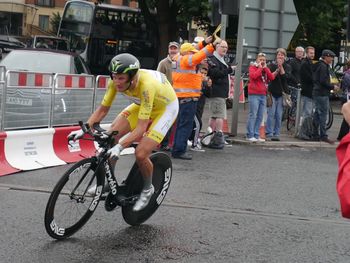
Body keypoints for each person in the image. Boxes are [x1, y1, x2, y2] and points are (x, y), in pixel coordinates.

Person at [68, 53, 179, 211]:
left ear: (133, 77)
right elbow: (102, 109)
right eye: (114, 77)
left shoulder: (146, 86)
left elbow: (141, 128)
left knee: (141, 153)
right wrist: (84, 129)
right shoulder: (114, 82)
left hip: (165, 109)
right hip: (142, 104)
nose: (117, 82)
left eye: (121, 78)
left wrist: (120, 147)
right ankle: (109, 181)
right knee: (111, 135)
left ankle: (148, 190)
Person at [171, 36, 218, 160]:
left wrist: (204, 42)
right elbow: (199, 56)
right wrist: (212, 46)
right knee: (185, 125)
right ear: (188, 53)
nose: (193, 53)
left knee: (181, 124)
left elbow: (194, 50)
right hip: (188, 97)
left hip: (181, 97)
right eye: (192, 52)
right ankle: (179, 150)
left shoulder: (178, 57)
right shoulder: (187, 59)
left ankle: (176, 148)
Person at [206, 40, 235, 149]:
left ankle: (211, 137)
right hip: (217, 92)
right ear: (217, 47)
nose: (225, 49)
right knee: (219, 115)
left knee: (215, 115)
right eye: (223, 46)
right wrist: (229, 70)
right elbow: (215, 73)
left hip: (220, 92)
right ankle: (217, 137)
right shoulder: (212, 59)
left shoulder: (220, 60)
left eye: (226, 47)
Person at [246, 52, 276, 142]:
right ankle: (249, 134)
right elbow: (254, 76)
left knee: (260, 116)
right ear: (257, 60)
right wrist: (259, 68)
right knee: (253, 115)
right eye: (260, 60)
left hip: (263, 94)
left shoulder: (265, 69)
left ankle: (256, 134)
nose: (262, 61)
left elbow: (271, 77)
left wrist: (265, 68)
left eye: (264, 60)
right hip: (254, 94)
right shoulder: (252, 67)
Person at [312, 49, 339, 144]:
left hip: (318, 92)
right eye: (331, 57)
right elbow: (323, 81)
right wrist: (333, 87)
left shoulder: (319, 65)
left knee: (317, 114)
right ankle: (323, 135)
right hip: (322, 93)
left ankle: (315, 134)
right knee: (323, 115)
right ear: (326, 56)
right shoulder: (323, 67)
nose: (332, 59)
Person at [157, 41, 180, 151]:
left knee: (176, 121)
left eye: (175, 48)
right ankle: (164, 143)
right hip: (167, 96)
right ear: (168, 50)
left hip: (180, 94)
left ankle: (173, 142)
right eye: (171, 48)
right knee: (167, 120)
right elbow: (158, 78)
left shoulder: (181, 61)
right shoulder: (163, 63)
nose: (173, 50)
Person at [266, 48, 291, 141]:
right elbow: (270, 77)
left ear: (285, 57)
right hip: (272, 92)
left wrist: (281, 68)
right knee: (271, 113)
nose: (280, 56)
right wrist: (277, 69)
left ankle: (277, 133)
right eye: (279, 55)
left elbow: (286, 78)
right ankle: (269, 132)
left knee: (279, 114)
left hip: (282, 93)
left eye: (282, 55)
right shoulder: (271, 65)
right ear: (276, 56)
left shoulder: (288, 66)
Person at [189, 64, 212, 151]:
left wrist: (209, 86)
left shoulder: (205, 83)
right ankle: (194, 144)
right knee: (198, 124)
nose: (203, 75)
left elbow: (209, 95)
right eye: (201, 72)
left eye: (205, 73)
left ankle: (191, 140)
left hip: (199, 108)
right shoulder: (194, 81)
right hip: (193, 107)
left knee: (195, 124)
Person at [299, 46, 315, 121]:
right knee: (307, 113)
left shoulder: (309, 62)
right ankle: (304, 132)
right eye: (311, 53)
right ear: (306, 53)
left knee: (309, 113)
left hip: (310, 92)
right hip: (307, 92)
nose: (312, 55)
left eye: (313, 53)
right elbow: (309, 78)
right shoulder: (305, 63)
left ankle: (307, 131)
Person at [338, 60, 350, 141]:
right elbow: (346, 87)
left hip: (346, 96)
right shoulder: (348, 74)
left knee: (346, 118)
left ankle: (342, 136)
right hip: (347, 97)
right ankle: (342, 136)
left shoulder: (346, 73)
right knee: (347, 117)